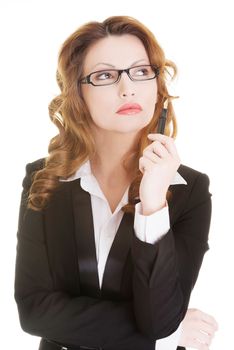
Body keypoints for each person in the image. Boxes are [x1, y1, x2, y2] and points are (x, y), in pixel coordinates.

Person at [14, 15, 218, 350]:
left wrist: (153, 204)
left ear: (157, 88)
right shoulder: (44, 179)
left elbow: (159, 317)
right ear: (77, 92)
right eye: (106, 75)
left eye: (141, 71)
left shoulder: (190, 190)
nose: (128, 88)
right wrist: (166, 335)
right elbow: (34, 312)